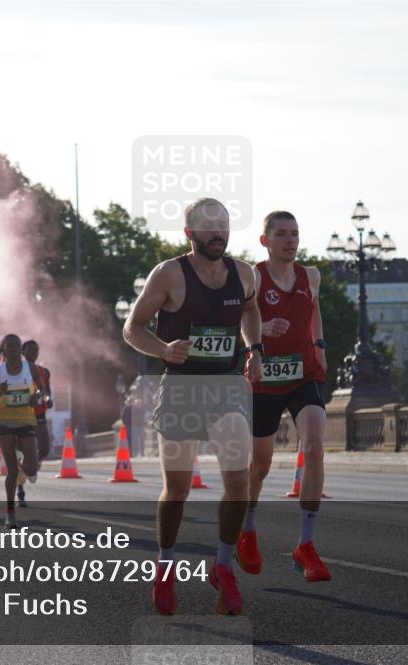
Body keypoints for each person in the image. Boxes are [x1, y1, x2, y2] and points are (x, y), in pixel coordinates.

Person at [123, 197, 263, 616]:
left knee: (238, 482)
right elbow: (132, 328)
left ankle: (222, 566)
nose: (218, 232)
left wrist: (253, 347)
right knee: (179, 490)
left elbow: (250, 309)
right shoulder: (169, 274)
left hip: (225, 387)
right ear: (190, 234)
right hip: (182, 388)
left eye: (223, 224)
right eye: (208, 226)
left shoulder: (244, 274)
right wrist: (164, 349)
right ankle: (164, 567)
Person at [237, 210, 331, 582]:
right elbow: (241, 319)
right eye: (281, 234)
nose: (290, 240)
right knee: (259, 465)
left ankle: (305, 544)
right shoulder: (253, 277)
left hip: (303, 374)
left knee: (314, 448)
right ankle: (247, 530)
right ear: (265, 241)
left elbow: (315, 310)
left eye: (294, 233)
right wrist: (261, 337)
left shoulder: (312, 276)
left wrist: (319, 343)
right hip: (264, 379)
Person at [0, 334, 44, 528]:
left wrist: (38, 398)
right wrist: (0, 392)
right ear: (4, 350)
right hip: (5, 422)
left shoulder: (30, 368)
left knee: (32, 468)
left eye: (17, 346)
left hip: (26, 420)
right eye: (10, 347)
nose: (15, 350)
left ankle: (22, 465)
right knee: (11, 470)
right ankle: (10, 512)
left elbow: (42, 390)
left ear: (21, 350)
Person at [16, 339, 53, 507]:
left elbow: (47, 392)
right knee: (21, 452)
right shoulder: (16, 370)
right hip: (22, 416)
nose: (34, 353)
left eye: (36, 350)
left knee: (45, 448)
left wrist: (47, 399)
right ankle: (20, 489)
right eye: (30, 350)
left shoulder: (44, 372)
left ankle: (32, 464)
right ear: (23, 353)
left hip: (39, 414)